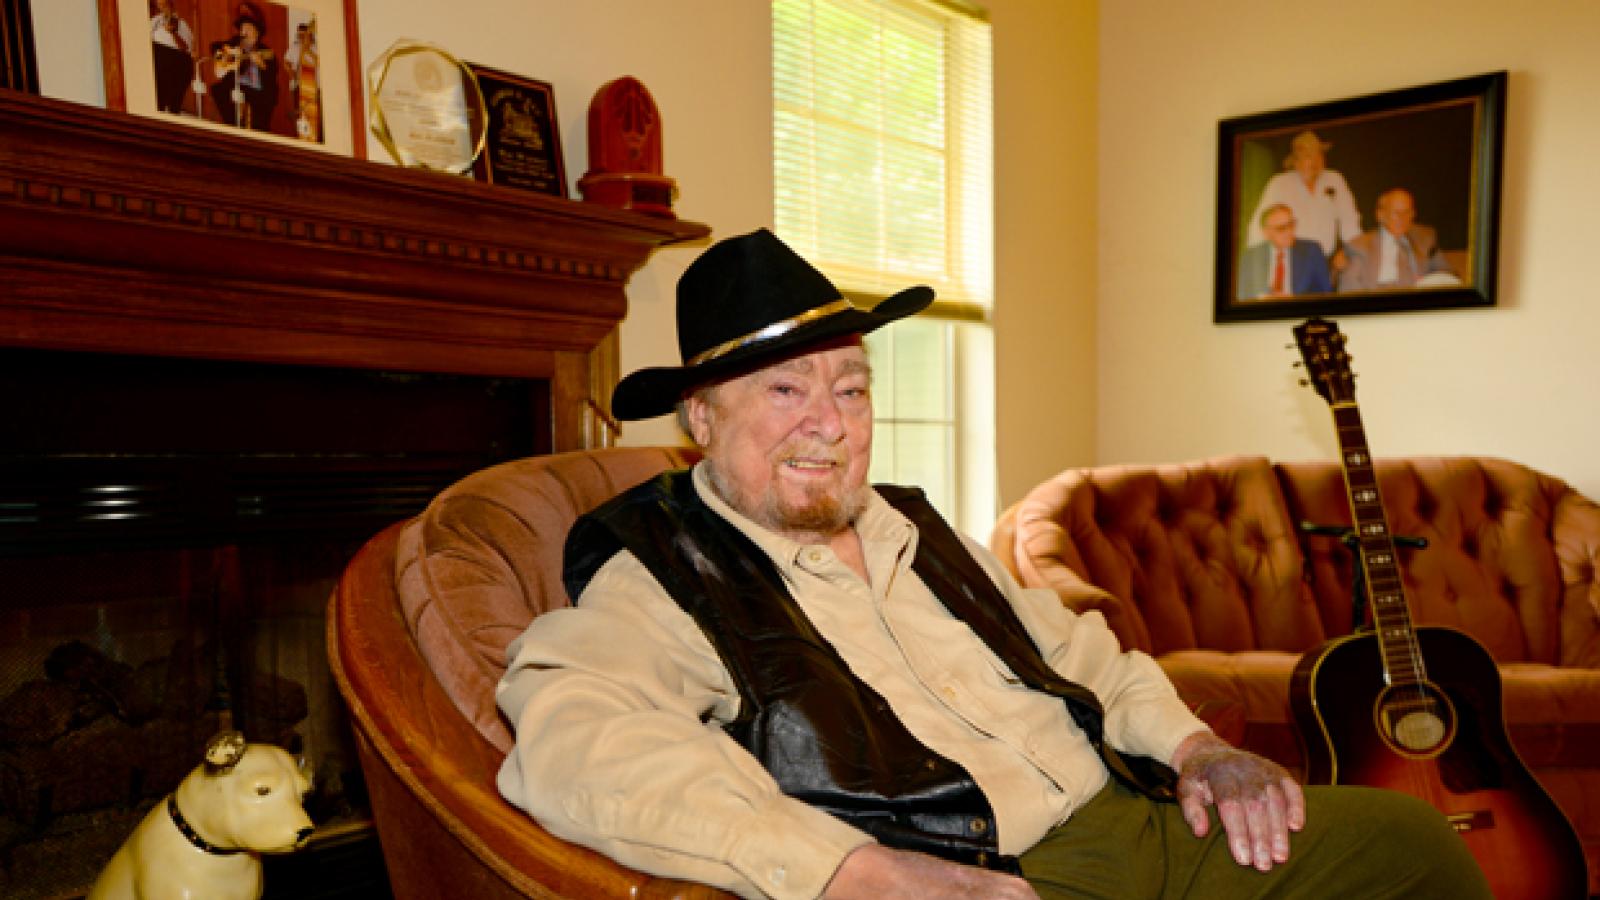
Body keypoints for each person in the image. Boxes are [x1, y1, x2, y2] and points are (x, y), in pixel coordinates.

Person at [495, 228, 1491, 899]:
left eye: (849, 387)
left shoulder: (918, 529)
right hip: (995, 875)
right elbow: (578, 738)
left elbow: (1084, 655)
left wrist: (1197, 751)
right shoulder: (664, 568)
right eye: (784, 392)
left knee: (1412, 849)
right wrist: (850, 869)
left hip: (1130, 815)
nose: (829, 426)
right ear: (700, 418)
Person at [1245, 130, 1362, 264]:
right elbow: (1259, 225)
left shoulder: (1335, 180)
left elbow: (1350, 221)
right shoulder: (1279, 183)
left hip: (1325, 260)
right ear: (1295, 162)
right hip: (1289, 260)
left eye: (1319, 154)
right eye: (1308, 156)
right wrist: (1255, 262)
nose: (1315, 161)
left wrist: (1351, 252)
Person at [1338, 187, 1460, 292]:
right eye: (1396, 213)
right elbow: (1349, 283)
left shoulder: (1425, 239)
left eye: (1407, 212)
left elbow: (1447, 274)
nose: (1402, 218)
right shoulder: (1360, 245)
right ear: (1380, 215)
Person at [1237, 204, 1331, 300]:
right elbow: (1242, 295)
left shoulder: (1311, 251)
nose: (1289, 232)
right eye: (1281, 228)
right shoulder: (1250, 256)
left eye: (1291, 225)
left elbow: (1326, 292)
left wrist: (1294, 300)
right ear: (1266, 233)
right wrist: (1263, 299)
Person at [208, 2, 278, 131]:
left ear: (257, 33)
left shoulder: (265, 51)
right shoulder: (235, 42)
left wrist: (261, 64)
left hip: (258, 89)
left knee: (259, 114)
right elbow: (214, 47)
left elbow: (272, 74)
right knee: (218, 89)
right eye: (242, 29)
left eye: (248, 29)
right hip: (238, 85)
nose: (244, 32)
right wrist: (225, 52)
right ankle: (232, 126)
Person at [148, 0, 195, 115]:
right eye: (159, 5)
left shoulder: (181, 24)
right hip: (156, 60)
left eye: (164, 4)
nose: (162, 8)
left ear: (170, 5)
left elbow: (185, 49)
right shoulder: (154, 22)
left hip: (176, 62)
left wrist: (173, 32)